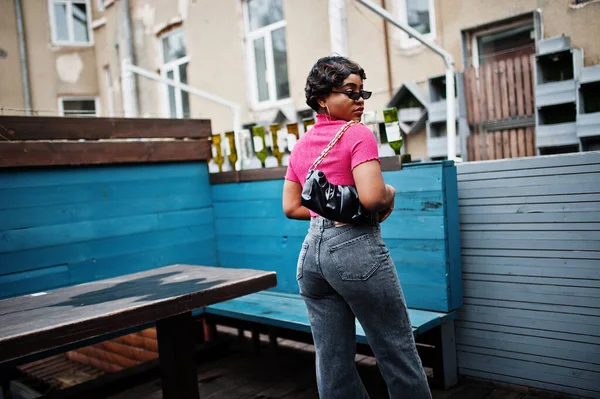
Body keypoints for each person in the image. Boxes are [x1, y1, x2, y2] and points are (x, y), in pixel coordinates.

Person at [282, 56, 432, 399]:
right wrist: (391, 192)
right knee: (397, 351)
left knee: (333, 363)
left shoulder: (302, 144)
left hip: (311, 257)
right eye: (350, 92)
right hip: (355, 251)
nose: (360, 100)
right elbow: (374, 196)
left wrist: (329, 211)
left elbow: (291, 206)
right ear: (322, 98)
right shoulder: (357, 134)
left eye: (363, 93)